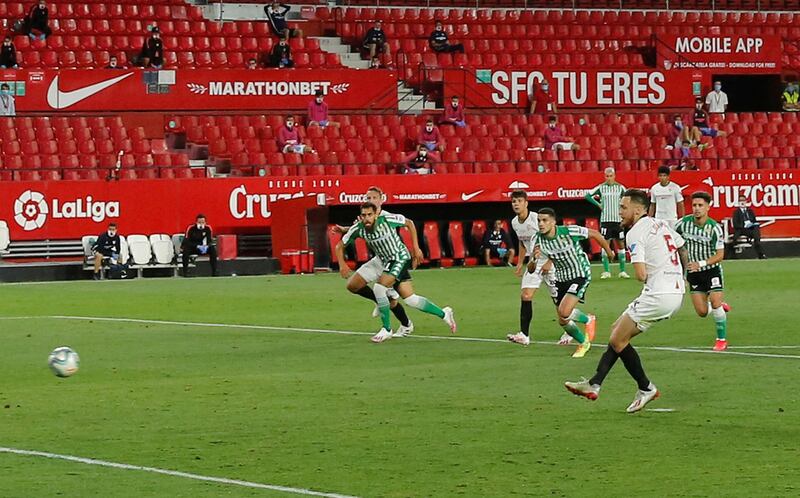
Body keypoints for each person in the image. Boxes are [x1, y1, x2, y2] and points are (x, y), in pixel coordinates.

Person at [565, 189, 685, 413]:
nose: (619, 212)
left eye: (623, 207)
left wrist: (655, 275)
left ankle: (643, 387)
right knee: (617, 332)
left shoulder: (635, 233)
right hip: (676, 293)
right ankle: (595, 384)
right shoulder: (661, 224)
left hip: (657, 294)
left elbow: (640, 274)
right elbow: (680, 247)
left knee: (618, 339)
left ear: (638, 210)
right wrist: (680, 276)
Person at [337, 202, 456, 343]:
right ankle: (444, 313)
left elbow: (409, 223)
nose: (367, 218)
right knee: (410, 299)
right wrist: (342, 264)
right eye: (364, 215)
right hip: (383, 261)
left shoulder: (387, 219)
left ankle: (386, 329)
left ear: (376, 214)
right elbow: (340, 245)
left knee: (379, 288)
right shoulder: (358, 228)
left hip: (399, 257)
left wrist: (416, 248)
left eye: (370, 215)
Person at [331, 187, 422, 338]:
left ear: (381, 199)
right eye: (368, 198)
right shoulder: (366, 216)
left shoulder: (386, 216)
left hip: (394, 259)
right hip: (379, 259)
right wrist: (345, 230)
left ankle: (405, 325)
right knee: (353, 286)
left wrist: (416, 248)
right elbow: (360, 229)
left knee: (398, 299)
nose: (370, 200)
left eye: (374, 198)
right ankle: (383, 304)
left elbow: (408, 223)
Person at [533, 208, 614, 358]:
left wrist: (609, 252)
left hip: (580, 273)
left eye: (544, 220)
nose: (541, 224)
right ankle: (586, 330)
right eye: (539, 221)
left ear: (553, 222)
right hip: (561, 278)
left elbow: (595, 234)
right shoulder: (537, 239)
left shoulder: (570, 231)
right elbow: (531, 269)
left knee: (565, 311)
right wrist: (533, 258)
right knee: (563, 320)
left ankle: (586, 332)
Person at [675, 192, 729, 351]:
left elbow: (720, 255)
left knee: (716, 302)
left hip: (711, 271)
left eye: (700, 205)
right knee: (702, 312)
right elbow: (672, 239)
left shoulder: (714, 228)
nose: (697, 209)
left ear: (708, 207)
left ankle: (721, 339)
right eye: (694, 205)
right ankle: (718, 305)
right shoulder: (682, 224)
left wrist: (702, 263)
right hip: (694, 273)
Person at [505, 191, 556, 347]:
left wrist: (550, 261)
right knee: (526, 295)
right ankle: (524, 335)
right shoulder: (514, 222)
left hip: (550, 262)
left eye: (519, 201)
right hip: (534, 263)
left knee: (560, 304)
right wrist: (520, 262)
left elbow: (554, 237)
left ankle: (584, 321)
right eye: (514, 201)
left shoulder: (537, 219)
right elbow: (522, 242)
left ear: (526, 203)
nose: (516, 204)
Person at [585, 167, 630, 279]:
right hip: (606, 220)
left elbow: (628, 198)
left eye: (611, 176)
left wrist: (624, 209)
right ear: (604, 176)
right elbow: (587, 195)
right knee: (605, 244)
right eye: (607, 176)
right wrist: (598, 204)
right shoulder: (601, 188)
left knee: (620, 244)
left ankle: (622, 270)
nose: (609, 178)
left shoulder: (620, 188)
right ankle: (606, 271)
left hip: (618, 220)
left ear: (614, 176)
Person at [648, 165, 684, 229]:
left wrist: (682, 218)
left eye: (664, 176)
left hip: (672, 218)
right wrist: (649, 218)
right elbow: (653, 204)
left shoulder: (675, 187)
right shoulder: (654, 188)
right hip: (659, 218)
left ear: (668, 176)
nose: (662, 178)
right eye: (660, 176)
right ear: (658, 177)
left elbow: (680, 204)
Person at [732, 194, 767, 259]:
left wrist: (751, 224)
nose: (742, 202)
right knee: (755, 232)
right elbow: (735, 224)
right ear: (738, 202)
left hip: (750, 229)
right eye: (740, 201)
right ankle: (760, 250)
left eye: (743, 200)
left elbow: (754, 221)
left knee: (756, 228)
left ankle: (759, 250)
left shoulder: (750, 211)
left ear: (746, 202)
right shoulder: (736, 212)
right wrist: (744, 225)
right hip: (741, 230)